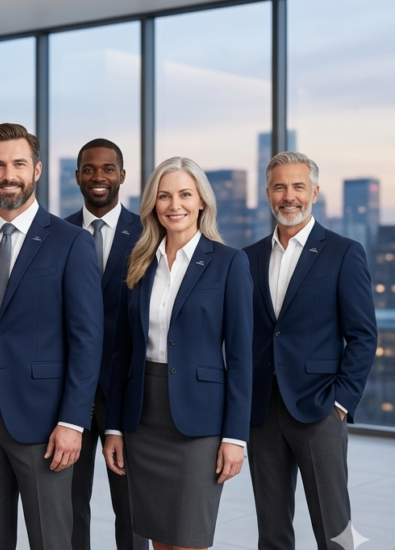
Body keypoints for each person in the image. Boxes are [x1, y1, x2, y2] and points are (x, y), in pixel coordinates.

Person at [0, 123, 102, 550]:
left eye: (19, 164)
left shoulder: (71, 243)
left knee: (51, 540)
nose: (9, 173)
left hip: (46, 425)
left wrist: (72, 422)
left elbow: (87, 339)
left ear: (37, 170)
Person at [102, 156, 253, 550]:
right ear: (153, 203)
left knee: (189, 538)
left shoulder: (229, 263)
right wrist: (115, 426)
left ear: (202, 200)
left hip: (198, 424)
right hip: (142, 418)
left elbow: (240, 356)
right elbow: (123, 353)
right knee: (160, 540)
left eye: (185, 194)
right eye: (164, 196)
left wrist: (235, 436)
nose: (175, 205)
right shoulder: (138, 263)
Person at [243, 152, 376, 550]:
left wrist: (341, 402)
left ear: (314, 192)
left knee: (334, 525)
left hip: (320, 409)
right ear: (268, 193)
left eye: (298, 186)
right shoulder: (247, 258)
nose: (289, 196)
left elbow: (364, 335)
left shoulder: (343, 252)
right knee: (271, 528)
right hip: (262, 411)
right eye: (280, 187)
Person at [62, 139, 147, 550]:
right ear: (78, 176)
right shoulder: (55, 235)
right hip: (67, 395)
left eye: (108, 169)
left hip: (126, 392)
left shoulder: (148, 234)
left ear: (122, 176)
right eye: (90, 169)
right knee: (68, 508)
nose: (99, 177)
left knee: (131, 513)